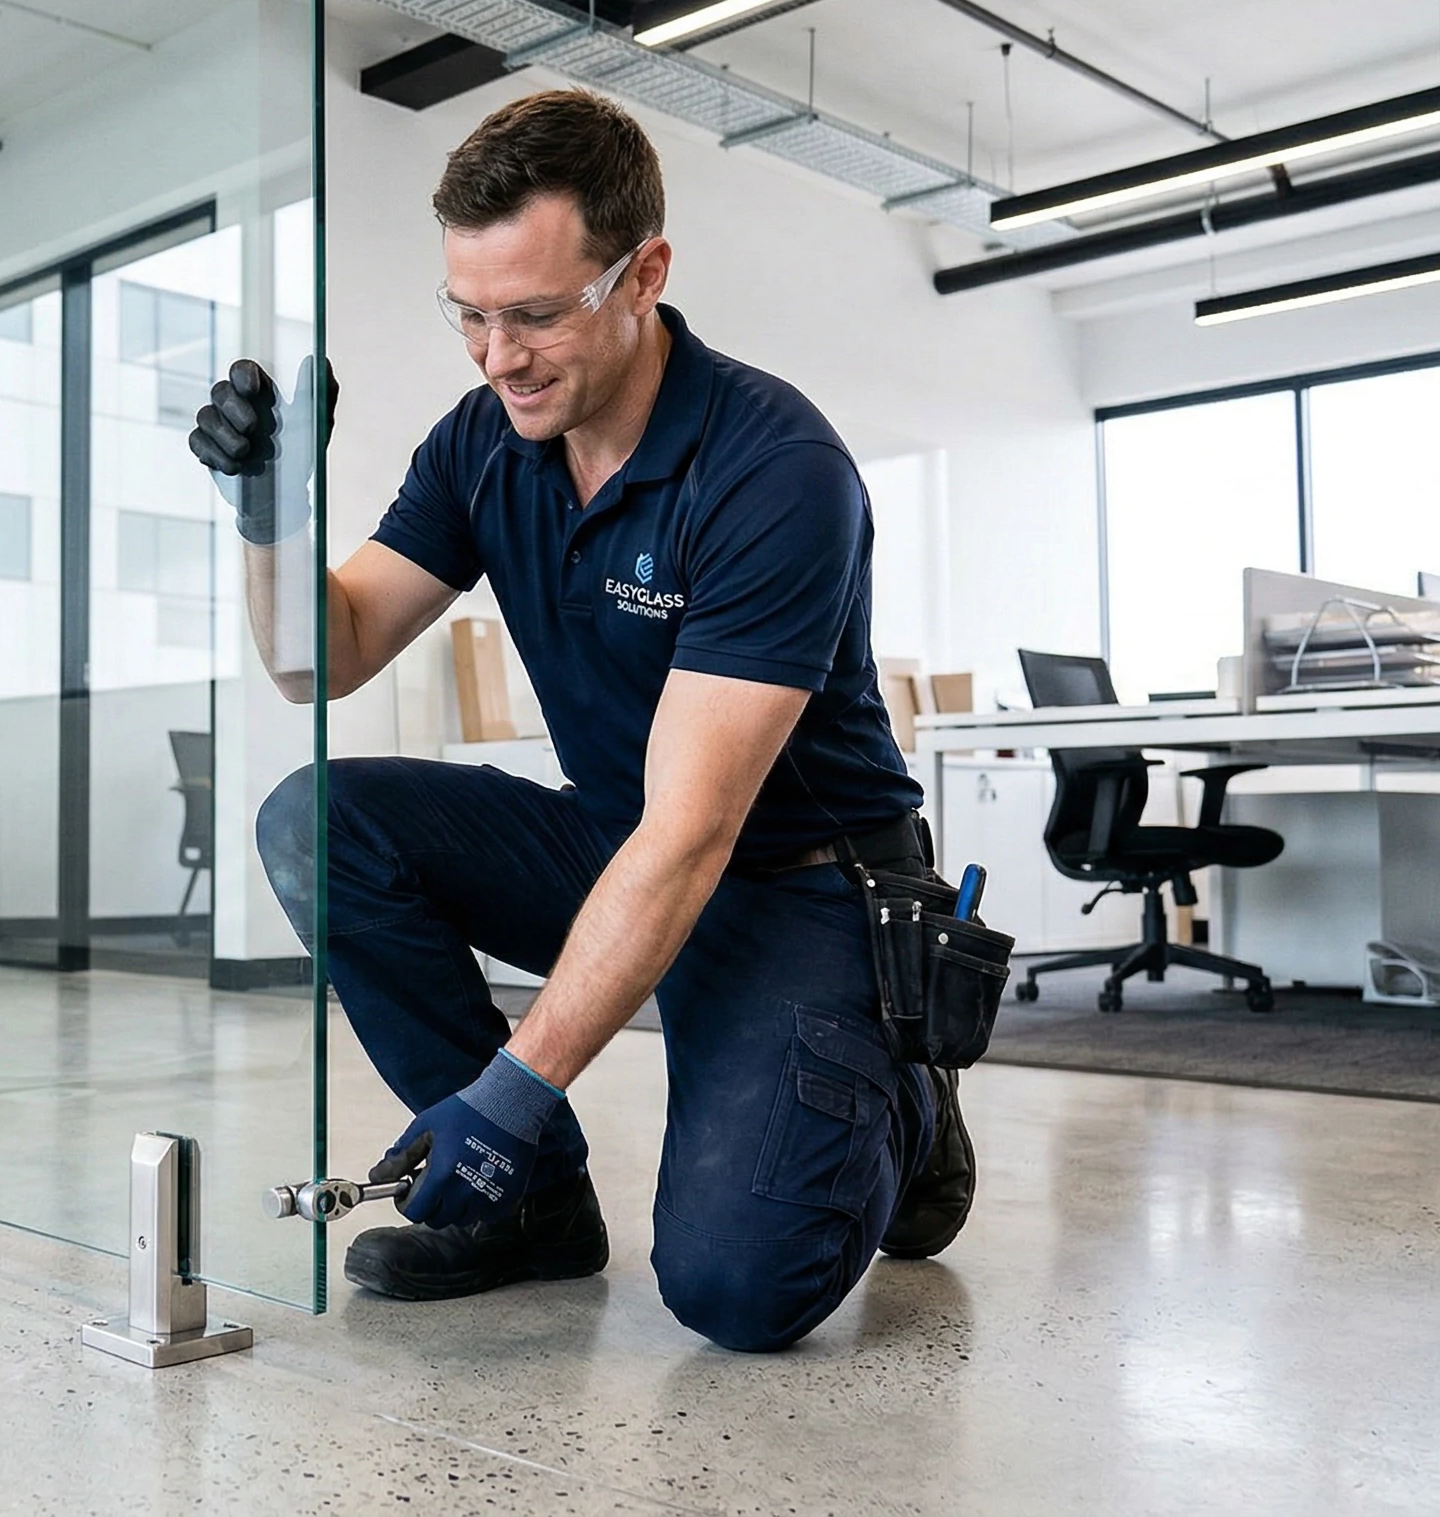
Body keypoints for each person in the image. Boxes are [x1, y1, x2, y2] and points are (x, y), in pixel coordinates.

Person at [187, 89, 972, 1354]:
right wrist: (267, 519)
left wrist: (503, 1092)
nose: (497, 356)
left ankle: (906, 1094)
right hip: (619, 844)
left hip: (799, 890)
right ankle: (533, 1205)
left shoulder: (773, 470)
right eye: (470, 313)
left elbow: (694, 832)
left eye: (537, 314)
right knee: (316, 821)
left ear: (642, 274)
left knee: (734, 1294)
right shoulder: (484, 443)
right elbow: (318, 664)